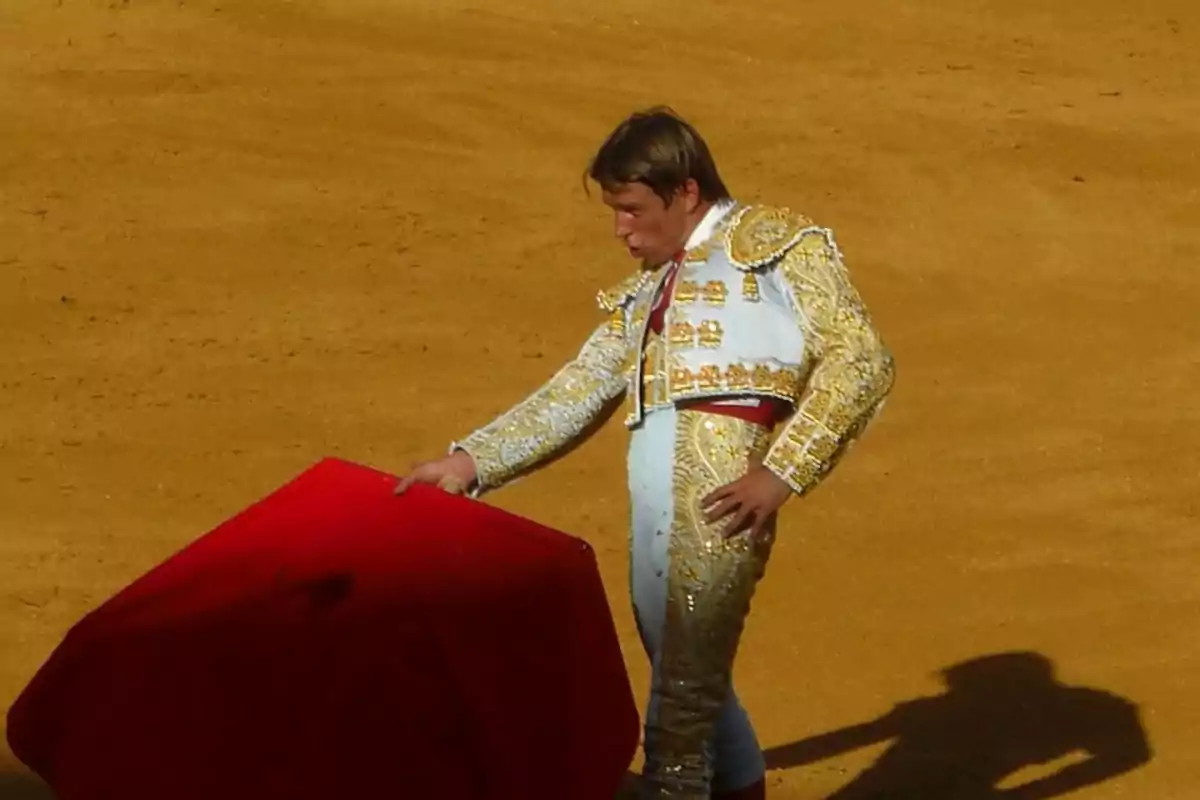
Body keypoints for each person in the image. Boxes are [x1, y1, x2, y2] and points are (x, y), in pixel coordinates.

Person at [395, 106, 896, 800]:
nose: (620, 229)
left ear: (685, 192)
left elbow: (862, 359)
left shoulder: (774, 242)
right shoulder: (650, 289)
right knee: (688, 678)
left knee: (682, 703)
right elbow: (578, 389)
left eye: (631, 209)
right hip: (659, 492)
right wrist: (469, 463)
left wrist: (784, 471)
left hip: (720, 494)